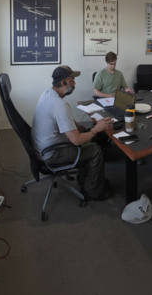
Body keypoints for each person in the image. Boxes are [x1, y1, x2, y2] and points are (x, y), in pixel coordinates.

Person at [32, 66, 114, 201]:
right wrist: (95, 129)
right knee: (95, 149)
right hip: (52, 154)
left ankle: (85, 178)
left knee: (86, 135)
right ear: (64, 83)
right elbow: (76, 140)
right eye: (73, 80)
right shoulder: (60, 105)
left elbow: (64, 120)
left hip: (41, 146)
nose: (75, 83)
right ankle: (94, 192)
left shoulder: (48, 93)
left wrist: (81, 128)